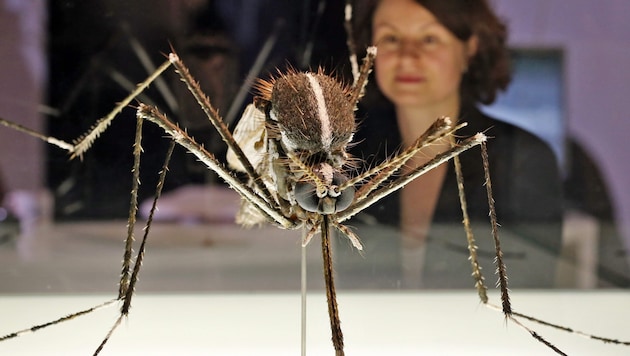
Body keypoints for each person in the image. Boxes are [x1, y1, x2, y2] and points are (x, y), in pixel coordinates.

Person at [349, 0, 563, 287]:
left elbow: (530, 288)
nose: (407, 57)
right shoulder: (350, 155)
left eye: (429, 39)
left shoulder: (521, 160)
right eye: (391, 38)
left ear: (469, 48)